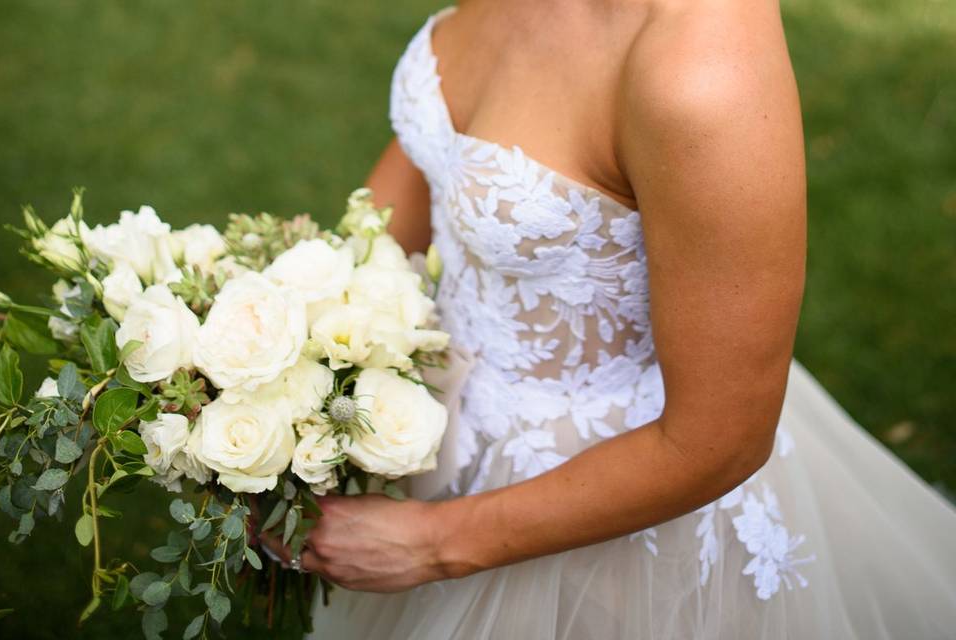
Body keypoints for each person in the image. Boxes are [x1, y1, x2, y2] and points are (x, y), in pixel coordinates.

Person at [262, 2, 956, 637]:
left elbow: (720, 441)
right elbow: (425, 169)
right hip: (433, 430)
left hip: (610, 516)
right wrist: (272, 354)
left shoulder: (703, 71)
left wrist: (432, 543)